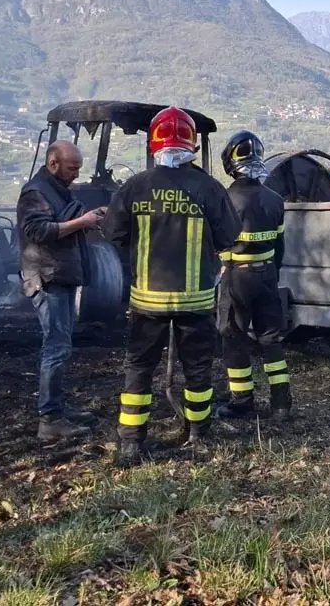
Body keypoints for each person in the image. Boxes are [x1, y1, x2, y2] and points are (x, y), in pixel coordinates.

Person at [103, 107, 240, 465]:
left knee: (139, 370)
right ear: (192, 144)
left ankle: (130, 444)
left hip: (147, 302)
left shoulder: (135, 186)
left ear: (154, 144)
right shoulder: (209, 188)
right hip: (195, 302)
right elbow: (229, 236)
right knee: (197, 369)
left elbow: (113, 232)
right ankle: (197, 435)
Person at [16, 140, 105, 442]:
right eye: (72, 168)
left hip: (61, 277)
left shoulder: (57, 190)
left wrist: (88, 219)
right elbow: (39, 231)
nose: (77, 174)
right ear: (53, 164)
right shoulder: (35, 192)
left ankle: (58, 408)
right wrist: (82, 221)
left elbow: (61, 223)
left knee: (62, 346)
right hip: (47, 279)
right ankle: (50, 420)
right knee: (55, 348)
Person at [216, 130, 292, 421]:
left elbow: (216, 243)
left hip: (236, 278)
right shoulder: (275, 200)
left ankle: (242, 401)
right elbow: (280, 246)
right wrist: (272, 273)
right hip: (268, 276)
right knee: (271, 340)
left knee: (233, 338)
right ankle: (282, 405)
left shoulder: (225, 199)